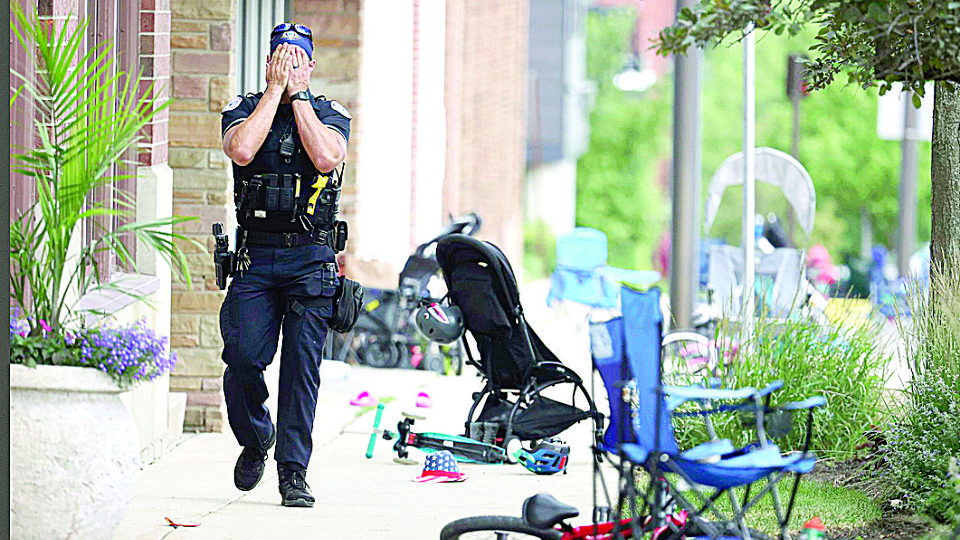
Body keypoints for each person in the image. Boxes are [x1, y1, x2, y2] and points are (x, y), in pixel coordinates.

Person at [218, 22, 352, 508]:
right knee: (243, 357)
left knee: (301, 370)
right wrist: (275, 92)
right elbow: (242, 149)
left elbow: (324, 156)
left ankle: (293, 472)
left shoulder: (328, 114)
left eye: (299, 57)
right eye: (282, 56)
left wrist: (297, 98)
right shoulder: (244, 108)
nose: (290, 63)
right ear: (270, 60)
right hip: (257, 257)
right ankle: (256, 440)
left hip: (310, 259)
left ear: (311, 65)